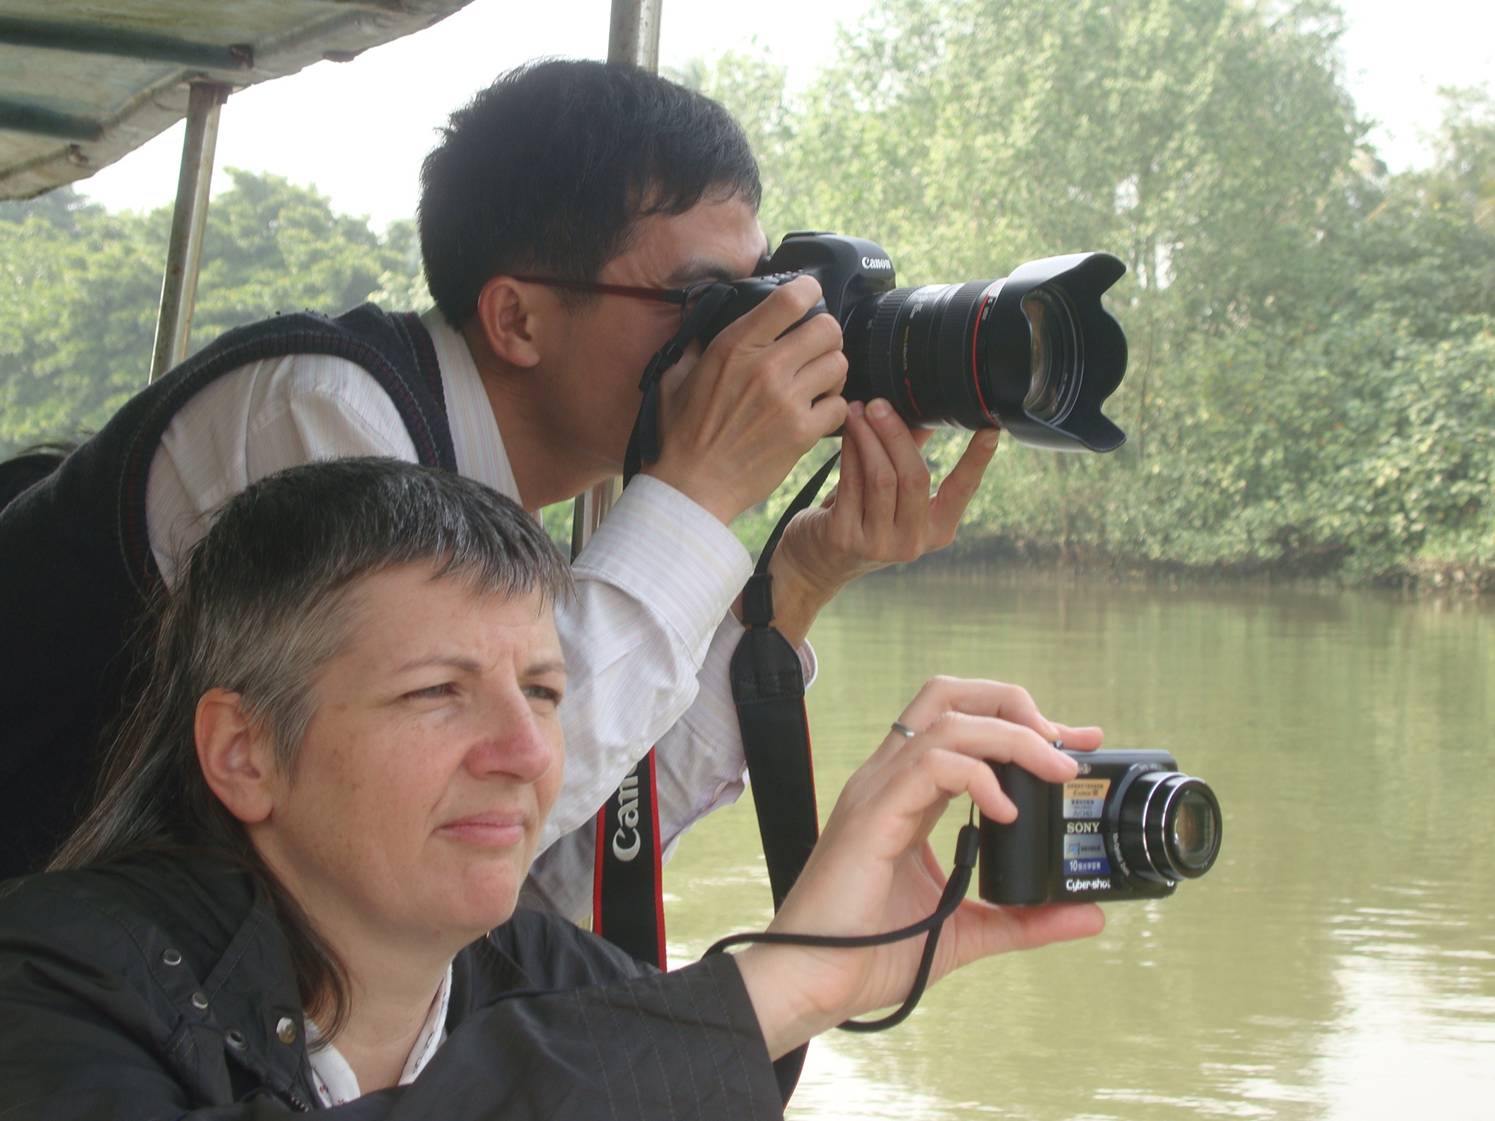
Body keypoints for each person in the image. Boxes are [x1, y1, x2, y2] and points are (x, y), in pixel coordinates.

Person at [0, 59, 1000, 907]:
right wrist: (694, 497)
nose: (743, 338)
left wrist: (801, 576)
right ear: (517, 319)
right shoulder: (320, 420)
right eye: (700, 299)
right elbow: (422, 834)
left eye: (753, 290)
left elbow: (542, 873)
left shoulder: (511, 518)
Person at [0, 458, 1103, 1118]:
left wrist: (826, 965)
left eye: (540, 688)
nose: (527, 753)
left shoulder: (546, 974)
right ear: (244, 752)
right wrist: (778, 984)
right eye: (438, 691)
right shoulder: (52, 984)